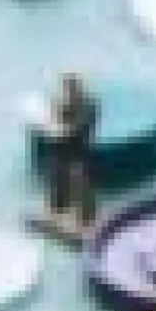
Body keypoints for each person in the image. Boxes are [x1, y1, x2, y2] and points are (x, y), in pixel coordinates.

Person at [35, 72, 98, 239]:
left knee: (80, 182)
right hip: (60, 149)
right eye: (66, 87)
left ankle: (85, 221)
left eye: (71, 87)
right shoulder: (58, 102)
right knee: (57, 180)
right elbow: (51, 122)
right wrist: (54, 124)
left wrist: (67, 127)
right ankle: (55, 214)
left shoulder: (88, 104)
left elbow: (84, 124)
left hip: (77, 149)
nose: (68, 91)